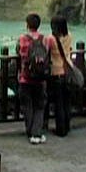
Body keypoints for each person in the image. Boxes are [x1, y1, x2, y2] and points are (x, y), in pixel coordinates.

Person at [16, 13, 52, 144]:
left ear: (27, 25)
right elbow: (47, 55)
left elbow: (19, 52)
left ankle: (31, 132)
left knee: (27, 105)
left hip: (25, 77)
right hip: (40, 78)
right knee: (40, 106)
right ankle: (36, 133)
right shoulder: (45, 39)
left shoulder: (22, 38)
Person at [43, 15, 72, 137]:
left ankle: (60, 130)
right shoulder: (69, 36)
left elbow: (44, 51)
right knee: (66, 102)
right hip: (67, 71)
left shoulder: (50, 39)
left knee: (58, 103)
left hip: (55, 72)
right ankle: (66, 126)